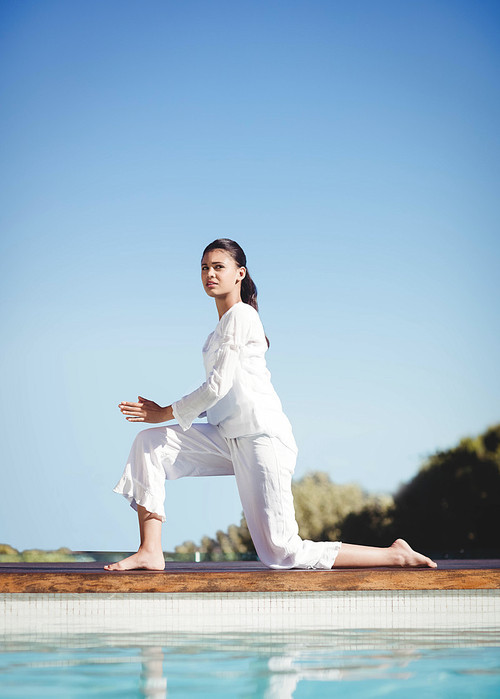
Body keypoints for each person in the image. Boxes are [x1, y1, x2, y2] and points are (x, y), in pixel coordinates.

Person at [105, 239, 437, 572]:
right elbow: (222, 391)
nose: (210, 273)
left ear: (240, 273)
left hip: (262, 438)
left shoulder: (242, 316)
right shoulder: (215, 335)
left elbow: (216, 387)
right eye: (205, 268)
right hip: (228, 436)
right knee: (150, 445)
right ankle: (150, 550)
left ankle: (395, 554)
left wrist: (165, 411)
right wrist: (168, 416)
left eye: (219, 267)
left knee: (282, 553)